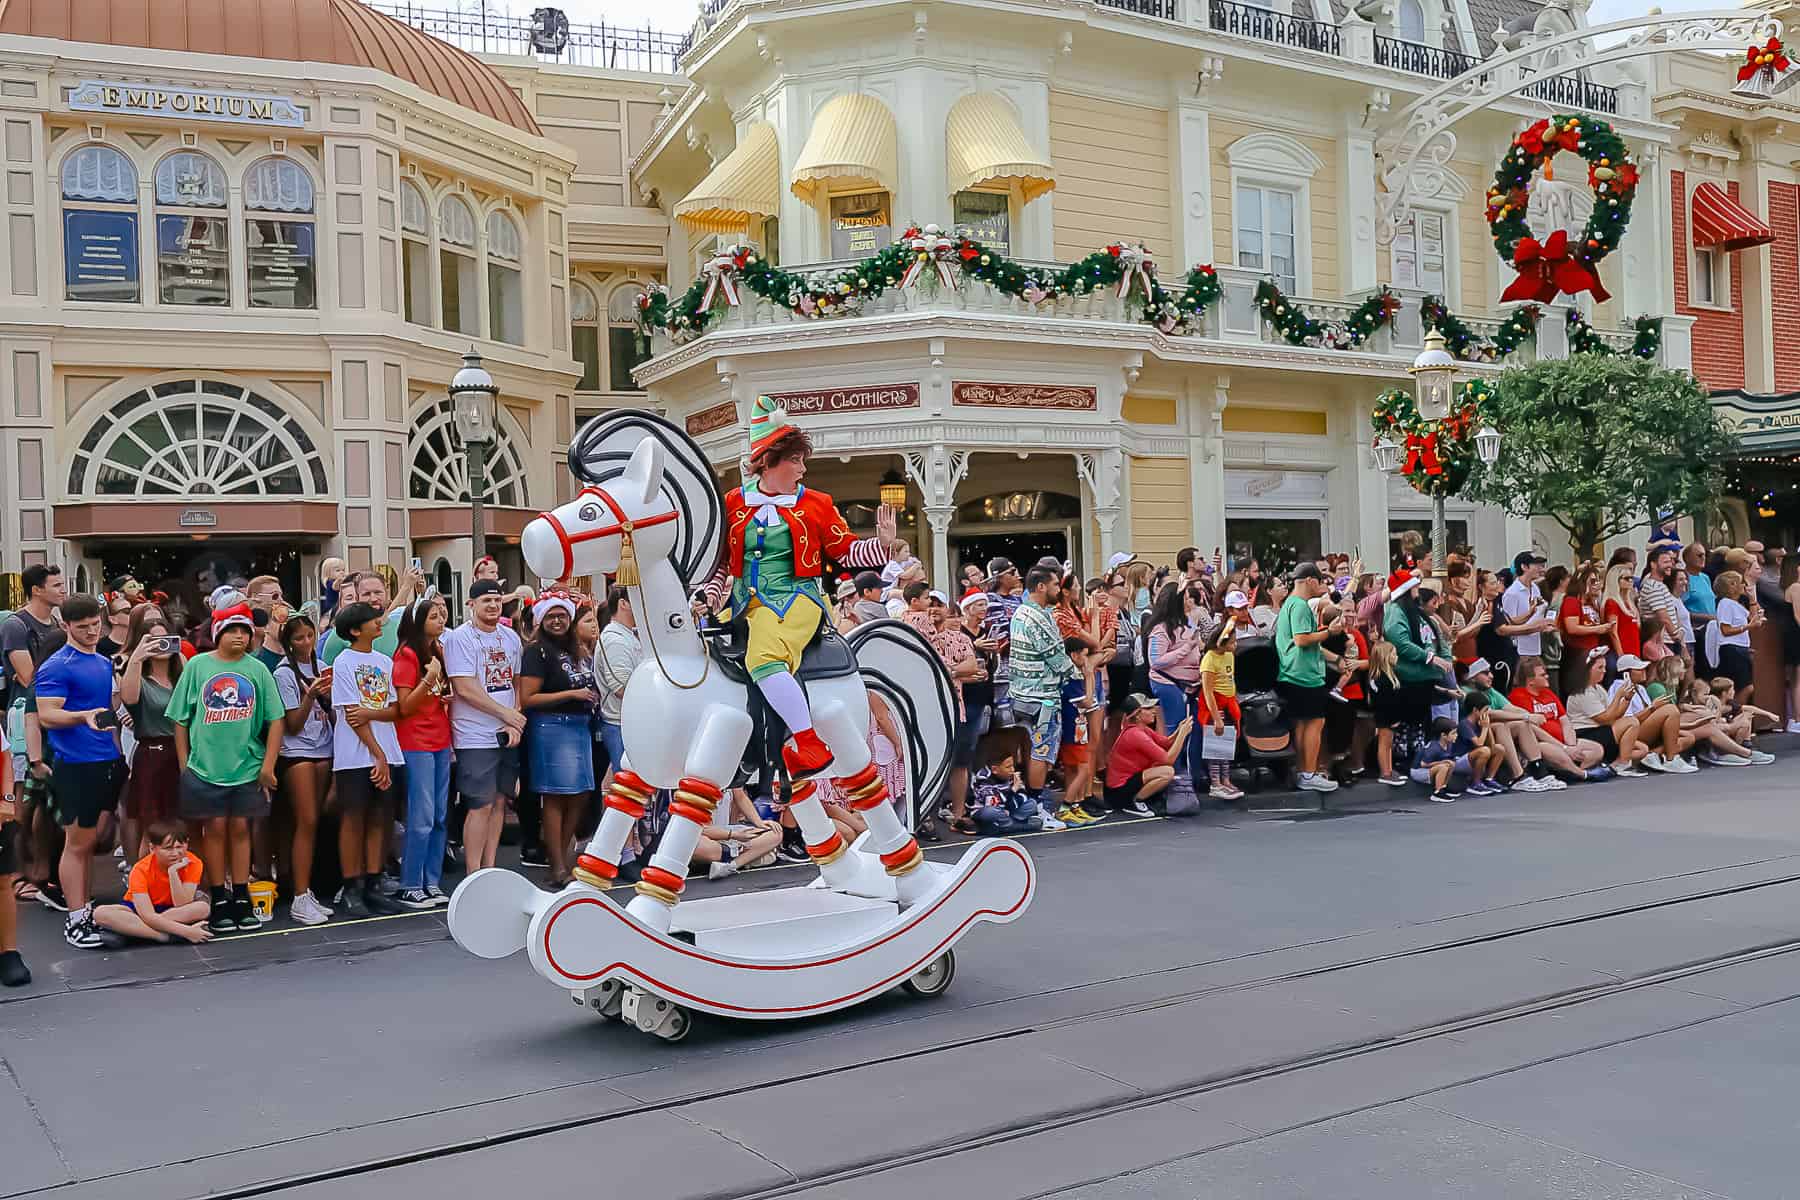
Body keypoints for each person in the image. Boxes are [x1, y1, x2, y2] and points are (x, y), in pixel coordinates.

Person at [695, 397, 897, 778]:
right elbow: (723, 564)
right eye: (796, 460)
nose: (803, 469)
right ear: (769, 462)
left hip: (795, 599)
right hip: (742, 602)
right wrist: (710, 592)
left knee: (763, 659)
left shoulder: (816, 504)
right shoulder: (733, 503)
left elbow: (847, 552)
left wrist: (882, 544)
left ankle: (808, 743)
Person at [164, 603, 284, 934]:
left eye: (245, 630)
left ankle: (242, 894)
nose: (239, 636)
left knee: (242, 829)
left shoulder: (257, 669)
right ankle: (219, 895)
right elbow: (179, 718)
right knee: (214, 828)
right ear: (218, 633)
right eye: (232, 630)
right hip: (205, 767)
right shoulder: (199, 666)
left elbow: (276, 719)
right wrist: (183, 763)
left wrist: (268, 766)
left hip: (247, 765)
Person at [33, 595, 126, 949]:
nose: (91, 631)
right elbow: (46, 714)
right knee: (77, 843)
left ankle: (85, 909)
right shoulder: (58, 665)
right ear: (66, 626)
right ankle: (75, 918)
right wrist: (81, 716)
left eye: (95, 624)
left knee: (91, 843)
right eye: (82, 626)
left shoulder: (103, 662)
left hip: (107, 760)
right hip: (74, 764)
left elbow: (111, 707)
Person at [328, 602, 407, 916]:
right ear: (355, 630)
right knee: (354, 819)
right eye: (372, 620)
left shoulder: (384, 661)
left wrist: (385, 754)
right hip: (356, 755)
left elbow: (394, 709)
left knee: (382, 819)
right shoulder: (344, 662)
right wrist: (378, 755)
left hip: (388, 749)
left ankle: (375, 882)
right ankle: (352, 886)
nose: (379, 623)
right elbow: (351, 714)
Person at [444, 579, 525, 873]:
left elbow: (516, 683)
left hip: (506, 731)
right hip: (474, 734)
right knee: (480, 803)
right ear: (471, 605)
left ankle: (491, 868)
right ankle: (473, 872)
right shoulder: (459, 638)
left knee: (501, 800)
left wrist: (515, 720)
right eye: (485, 601)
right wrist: (507, 714)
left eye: (496, 600)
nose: (492, 606)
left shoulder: (511, 638)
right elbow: (465, 687)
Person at [519, 593, 598, 889]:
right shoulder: (536, 651)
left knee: (580, 794)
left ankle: (561, 860)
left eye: (562, 616)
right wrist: (570, 695)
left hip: (580, 727)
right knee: (555, 796)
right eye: (551, 616)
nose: (557, 621)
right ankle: (557, 865)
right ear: (540, 619)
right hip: (552, 726)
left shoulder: (576, 649)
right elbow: (528, 698)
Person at [4, 563, 66, 911]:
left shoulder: (57, 624)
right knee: (24, 799)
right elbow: (30, 677)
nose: (62, 590)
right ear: (37, 590)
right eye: (55, 585)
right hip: (24, 716)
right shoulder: (16, 625)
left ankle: (43, 870)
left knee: (46, 801)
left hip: (54, 716)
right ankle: (17, 872)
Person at [271, 612, 334, 925]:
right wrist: (310, 695)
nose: (306, 643)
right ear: (288, 642)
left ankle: (307, 891)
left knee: (316, 820)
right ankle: (298, 896)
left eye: (310, 636)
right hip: (297, 752)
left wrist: (330, 697)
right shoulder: (284, 673)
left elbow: (335, 716)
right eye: (298, 638)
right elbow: (292, 725)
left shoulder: (322, 666)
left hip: (325, 747)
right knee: (305, 820)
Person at [392, 593, 453, 908]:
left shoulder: (437, 650)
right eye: (433, 616)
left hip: (440, 739)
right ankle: (410, 882)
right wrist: (429, 681)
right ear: (417, 622)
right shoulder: (407, 655)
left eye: (442, 615)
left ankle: (432, 880)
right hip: (416, 741)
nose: (441, 621)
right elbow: (404, 706)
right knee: (422, 815)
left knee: (441, 815)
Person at [1008, 564, 1078, 827]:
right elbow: (1056, 656)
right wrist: (1080, 672)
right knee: (1042, 752)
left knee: (1031, 751)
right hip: (1042, 698)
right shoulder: (1037, 616)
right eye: (1055, 585)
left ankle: (1030, 804)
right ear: (1040, 587)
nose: (1058, 590)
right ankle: (1038, 808)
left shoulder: (1022, 612)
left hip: (1024, 695)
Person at [118, 606, 183, 865]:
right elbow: (129, 697)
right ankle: (144, 876)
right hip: (152, 753)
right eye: (154, 640)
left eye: (166, 638)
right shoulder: (139, 677)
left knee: (181, 820)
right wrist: (137, 656)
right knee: (152, 822)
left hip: (182, 753)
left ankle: (178, 876)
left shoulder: (182, 673)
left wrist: (181, 653)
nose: (162, 645)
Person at [90, 821, 211, 946]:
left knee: (202, 908)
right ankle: (163, 936)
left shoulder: (194, 863)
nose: (175, 853)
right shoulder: (140, 869)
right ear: (152, 848)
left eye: (180, 847)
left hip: (172, 910)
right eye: (168, 848)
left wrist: (173, 873)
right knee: (100, 913)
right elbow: (148, 915)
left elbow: (181, 903)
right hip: (139, 910)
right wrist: (187, 932)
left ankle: (134, 931)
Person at [1276, 564, 1340, 793]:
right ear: (1310, 580)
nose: (1322, 586)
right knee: (1314, 723)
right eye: (1320, 581)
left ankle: (1304, 771)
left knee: (1303, 724)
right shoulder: (1300, 606)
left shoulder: (1289, 604)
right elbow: (1302, 639)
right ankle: (1309, 773)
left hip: (1292, 672)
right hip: (1304, 674)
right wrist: (1329, 632)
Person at [1508, 656, 1608, 780]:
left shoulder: (1548, 693)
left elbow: (1565, 721)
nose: (1547, 676)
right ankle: (1583, 774)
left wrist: (1571, 745)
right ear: (1531, 681)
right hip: (1542, 743)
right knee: (1559, 754)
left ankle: (1570, 772)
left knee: (1597, 749)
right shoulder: (1518, 696)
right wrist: (1564, 748)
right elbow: (1533, 729)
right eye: (1542, 675)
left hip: (1563, 741)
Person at [1103, 693, 1192, 815]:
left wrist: (1179, 730)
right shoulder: (1135, 734)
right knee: (1167, 771)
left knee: (1163, 769)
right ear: (1137, 714)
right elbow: (1168, 760)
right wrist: (1183, 734)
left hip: (1126, 783)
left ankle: (1138, 799)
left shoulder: (1141, 729)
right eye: (1149, 708)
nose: (1154, 710)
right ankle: (1133, 802)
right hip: (1118, 790)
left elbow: (1166, 743)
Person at [320, 566, 423, 664]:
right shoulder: (341, 633)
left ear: (386, 594)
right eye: (366, 594)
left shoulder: (402, 628)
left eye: (378, 592)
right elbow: (328, 674)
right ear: (357, 597)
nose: (373, 599)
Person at [594, 585, 639, 781]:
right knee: (629, 789)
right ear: (623, 603)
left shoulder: (627, 635)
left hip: (629, 724)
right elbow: (622, 689)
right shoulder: (615, 640)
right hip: (620, 724)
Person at [1197, 620, 1243, 801]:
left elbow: (1230, 680)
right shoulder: (1209, 659)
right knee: (1215, 748)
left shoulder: (1229, 656)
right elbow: (1208, 692)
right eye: (1232, 642)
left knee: (1226, 746)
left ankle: (1226, 779)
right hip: (1216, 705)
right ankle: (1215, 783)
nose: (1235, 645)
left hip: (1229, 703)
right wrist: (1216, 718)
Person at [1556, 566, 1613, 699]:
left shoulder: (1592, 603)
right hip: (1577, 653)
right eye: (1593, 581)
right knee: (1578, 689)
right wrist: (1598, 629)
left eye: (1598, 581)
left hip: (1593, 650)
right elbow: (1572, 627)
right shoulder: (1572, 601)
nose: (1597, 585)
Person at [1496, 552, 1552, 682]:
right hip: (1520, 650)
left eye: (1541, 565)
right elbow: (1509, 626)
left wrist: (1544, 626)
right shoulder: (1512, 593)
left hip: (1535, 647)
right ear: (1524, 567)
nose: (1540, 568)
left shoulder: (1535, 588)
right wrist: (1535, 627)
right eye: (1536, 565)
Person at [1711, 569, 1759, 704]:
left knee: (1745, 686)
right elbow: (1725, 630)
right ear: (1732, 585)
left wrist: (1752, 599)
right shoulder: (1725, 603)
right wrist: (1747, 627)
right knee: (1745, 687)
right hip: (1732, 650)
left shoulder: (1736, 605)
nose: (1744, 585)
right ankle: (1734, 713)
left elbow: (1753, 619)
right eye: (1741, 583)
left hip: (1741, 649)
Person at [967, 750, 1041, 835]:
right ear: (995, 769)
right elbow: (993, 804)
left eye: (1013, 766)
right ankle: (1017, 826)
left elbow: (1023, 796)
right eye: (1008, 767)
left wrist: (1016, 791)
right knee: (990, 812)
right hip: (986, 810)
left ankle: (1009, 825)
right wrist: (1013, 790)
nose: (1012, 770)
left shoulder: (1010, 776)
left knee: (1032, 803)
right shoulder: (983, 779)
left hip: (1007, 810)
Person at [98, 593, 133, 659]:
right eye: (127, 611)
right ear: (113, 619)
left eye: (133, 610)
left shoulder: (138, 642)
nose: (132, 613)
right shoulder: (100, 647)